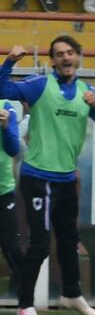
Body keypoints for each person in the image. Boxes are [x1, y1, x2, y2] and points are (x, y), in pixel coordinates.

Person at [0, 37, 95, 315]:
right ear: (53, 61)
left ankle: (71, 294)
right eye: (59, 54)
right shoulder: (41, 86)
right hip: (37, 176)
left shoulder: (85, 91)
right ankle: (25, 303)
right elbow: (3, 88)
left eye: (70, 52)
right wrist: (10, 61)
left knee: (69, 239)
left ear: (77, 57)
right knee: (40, 242)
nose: (65, 57)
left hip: (66, 178)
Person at [0, 102, 24, 303]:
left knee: (11, 246)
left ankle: (26, 299)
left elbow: (13, 148)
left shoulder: (6, 107)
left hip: (3, 192)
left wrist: (6, 127)